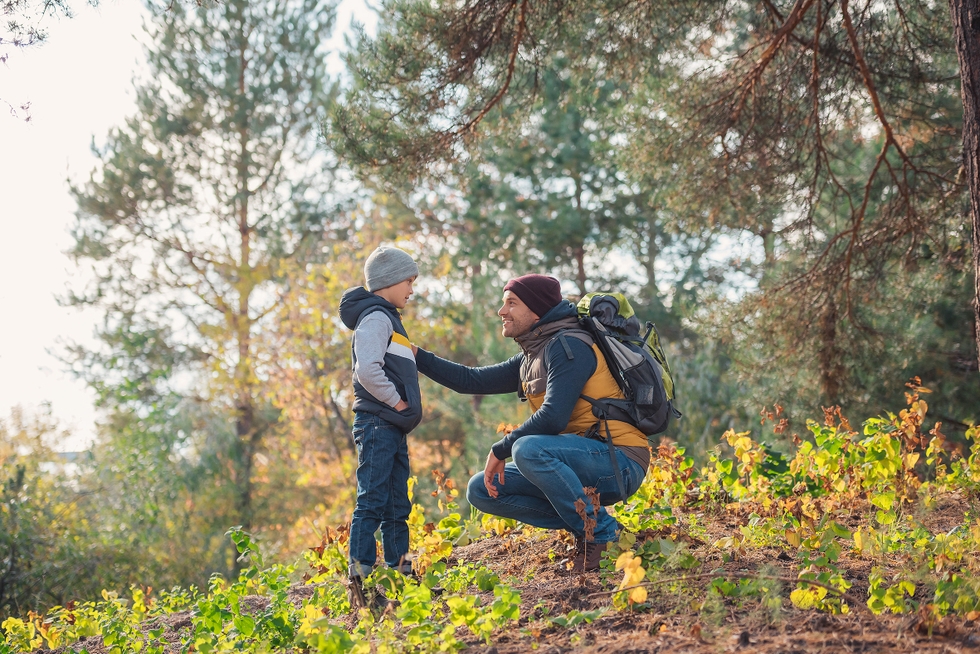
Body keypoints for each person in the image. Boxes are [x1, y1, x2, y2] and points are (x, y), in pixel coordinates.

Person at [414, 274, 649, 572]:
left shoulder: (570, 347)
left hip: (620, 461)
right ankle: (593, 527)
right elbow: (469, 380)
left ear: (536, 310)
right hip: (580, 462)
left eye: (511, 303)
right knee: (482, 489)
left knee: (527, 449)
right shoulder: (534, 354)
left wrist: (500, 449)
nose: (502, 311)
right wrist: (416, 355)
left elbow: (553, 416)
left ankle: (601, 535)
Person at [339, 246, 422, 607]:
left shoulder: (387, 318)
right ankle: (361, 587)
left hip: (390, 427)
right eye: (408, 281)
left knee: (396, 506)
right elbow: (368, 370)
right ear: (388, 281)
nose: (411, 290)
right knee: (371, 502)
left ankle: (403, 579)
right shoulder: (375, 318)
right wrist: (398, 402)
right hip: (377, 423)